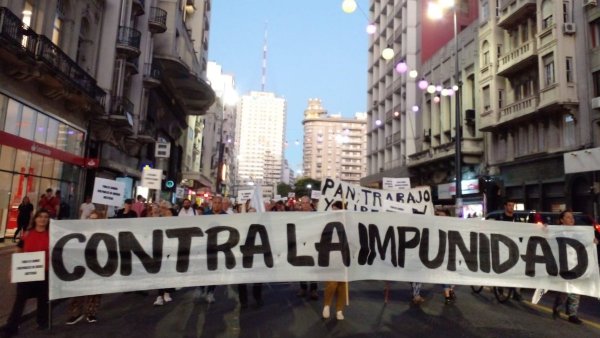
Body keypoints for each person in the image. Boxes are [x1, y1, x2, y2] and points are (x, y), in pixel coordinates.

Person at [3, 209, 51, 337]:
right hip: (26, 272)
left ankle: (42, 322)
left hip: (44, 272)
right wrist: (13, 267)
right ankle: (11, 327)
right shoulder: (27, 234)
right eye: (40, 216)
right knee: (20, 300)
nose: (42, 219)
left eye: (45, 217)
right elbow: (19, 248)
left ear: (48, 220)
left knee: (43, 299)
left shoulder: (51, 235)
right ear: (35, 219)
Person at [66, 210, 103, 325]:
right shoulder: (81, 232)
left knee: (95, 292)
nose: (92, 221)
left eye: (95, 219)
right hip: (82, 266)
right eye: (91, 219)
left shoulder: (104, 234)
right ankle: (76, 313)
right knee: (78, 291)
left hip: (97, 266)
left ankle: (91, 313)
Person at [552, 211, 583, 324]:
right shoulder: (556, 231)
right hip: (562, 266)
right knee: (564, 290)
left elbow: (585, 243)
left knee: (575, 290)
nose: (572, 219)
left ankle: (572, 314)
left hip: (575, 264)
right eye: (568, 217)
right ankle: (557, 307)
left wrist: (593, 241)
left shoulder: (578, 233)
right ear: (562, 220)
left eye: (572, 217)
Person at [322, 201, 348, 320]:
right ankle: (327, 305)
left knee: (343, 286)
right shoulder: (327, 221)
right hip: (331, 257)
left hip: (345, 257)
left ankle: (339, 310)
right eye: (333, 208)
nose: (334, 211)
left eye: (336, 208)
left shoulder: (349, 222)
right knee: (331, 284)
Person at [494, 200, 523, 301]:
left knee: (517, 269)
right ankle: (500, 286)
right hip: (502, 246)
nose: (511, 207)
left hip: (515, 246)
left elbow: (523, 230)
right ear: (505, 206)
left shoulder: (517, 218)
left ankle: (516, 291)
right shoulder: (499, 218)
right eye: (509, 205)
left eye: (513, 206)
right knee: (502, 267)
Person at [152, 202, 175, 306]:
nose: (161, 209)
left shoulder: (171, 216)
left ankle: (167, 292)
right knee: (160, 272)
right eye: (160, 207)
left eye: (163, 208)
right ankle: (159, 295)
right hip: (158, 248)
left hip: (170, 248)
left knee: (168, 271)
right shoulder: (157, 218)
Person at [297, 196, 319, 300]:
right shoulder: (296, 215)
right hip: (301, 244)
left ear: (310, 203)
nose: (305, 205)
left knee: (313, 268)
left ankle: (313, 289)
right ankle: (303, 287)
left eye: (306, 203)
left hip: (313, 244)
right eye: (303, 203)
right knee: (302, 267)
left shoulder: (316, 214)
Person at [436, 209, 456, 305]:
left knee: (453, 274)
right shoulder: (435, 227)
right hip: (441, 255)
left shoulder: (453, 226)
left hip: (452, 254)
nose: (440, 218)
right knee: (443, 275)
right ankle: (447, 295)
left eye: (442, 216)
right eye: (438, 216)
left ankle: (451, 289)